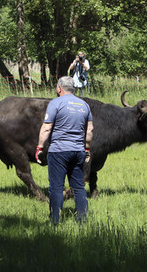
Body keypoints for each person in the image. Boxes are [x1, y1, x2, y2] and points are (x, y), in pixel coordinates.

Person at [35, 76, 94, 224]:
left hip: (59, 151)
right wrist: (86, 148)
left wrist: (39, 147)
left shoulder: (56, 103)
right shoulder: (84, 105)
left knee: (56, 187)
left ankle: (54, 220)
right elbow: (90, 130)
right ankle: (82, 219)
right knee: (78, 187)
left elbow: (47, 127)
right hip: (78, 151)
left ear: (59, 87)